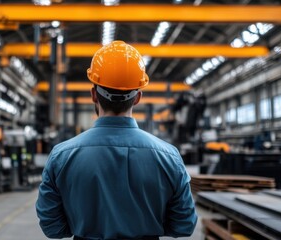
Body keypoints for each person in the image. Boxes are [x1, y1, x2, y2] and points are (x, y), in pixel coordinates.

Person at [36, 40, 197, 239]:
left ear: (94, 95)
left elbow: (52, 228)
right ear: (137, 97)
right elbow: (184, 225)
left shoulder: (62, 156)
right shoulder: (169, 157)